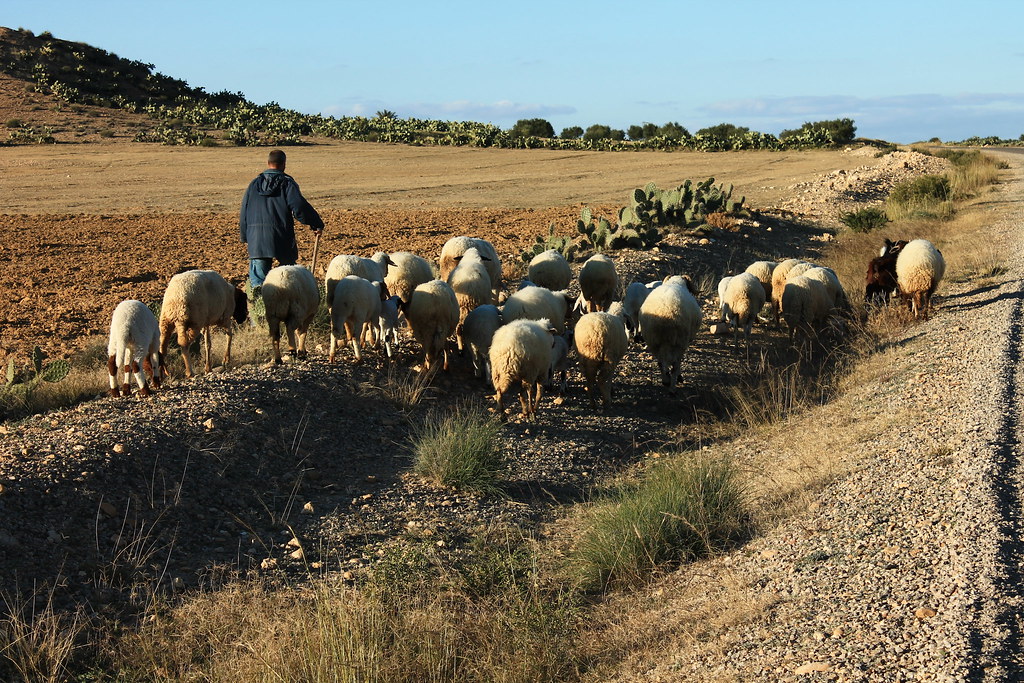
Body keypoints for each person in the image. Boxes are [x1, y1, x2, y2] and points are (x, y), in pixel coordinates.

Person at [239, 149, 324, 293]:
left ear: (268, 163)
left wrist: (245, 236)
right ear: (284, 164)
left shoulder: (253, 184)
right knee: (288, 278)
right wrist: (315, 223)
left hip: (257, 240)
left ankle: (260, 313)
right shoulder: (287, 183)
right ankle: (287, 310)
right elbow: (299, 206)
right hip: (281, 237)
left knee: (258, 284)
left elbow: (244, 212)